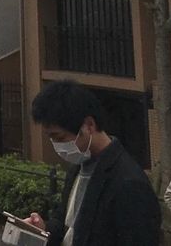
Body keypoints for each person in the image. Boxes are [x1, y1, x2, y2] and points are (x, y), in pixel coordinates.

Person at [22, 79, 159, 246]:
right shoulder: (78, 167)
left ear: (89, 125)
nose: (58, 146)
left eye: (60, 138)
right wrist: (44, 230)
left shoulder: (129, 183)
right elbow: (67, 224)